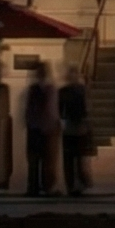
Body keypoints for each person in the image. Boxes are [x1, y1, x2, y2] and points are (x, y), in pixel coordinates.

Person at [21, 64, 59, 197]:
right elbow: (51, 109)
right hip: (44, 128)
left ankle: (35, 187)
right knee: (44, 160)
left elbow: (30, 109)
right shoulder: (49, 89)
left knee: (36, 160)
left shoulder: (36, 89)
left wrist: (29, 122)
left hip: (37, 128)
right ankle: (44, 186)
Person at [59, 66, 91, 197]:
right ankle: (74, 184)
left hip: (75, 126)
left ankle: (75, 184)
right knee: (73, 158)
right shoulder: (78, 90)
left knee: (75, 158)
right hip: (73, 126)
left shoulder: (71, 90)